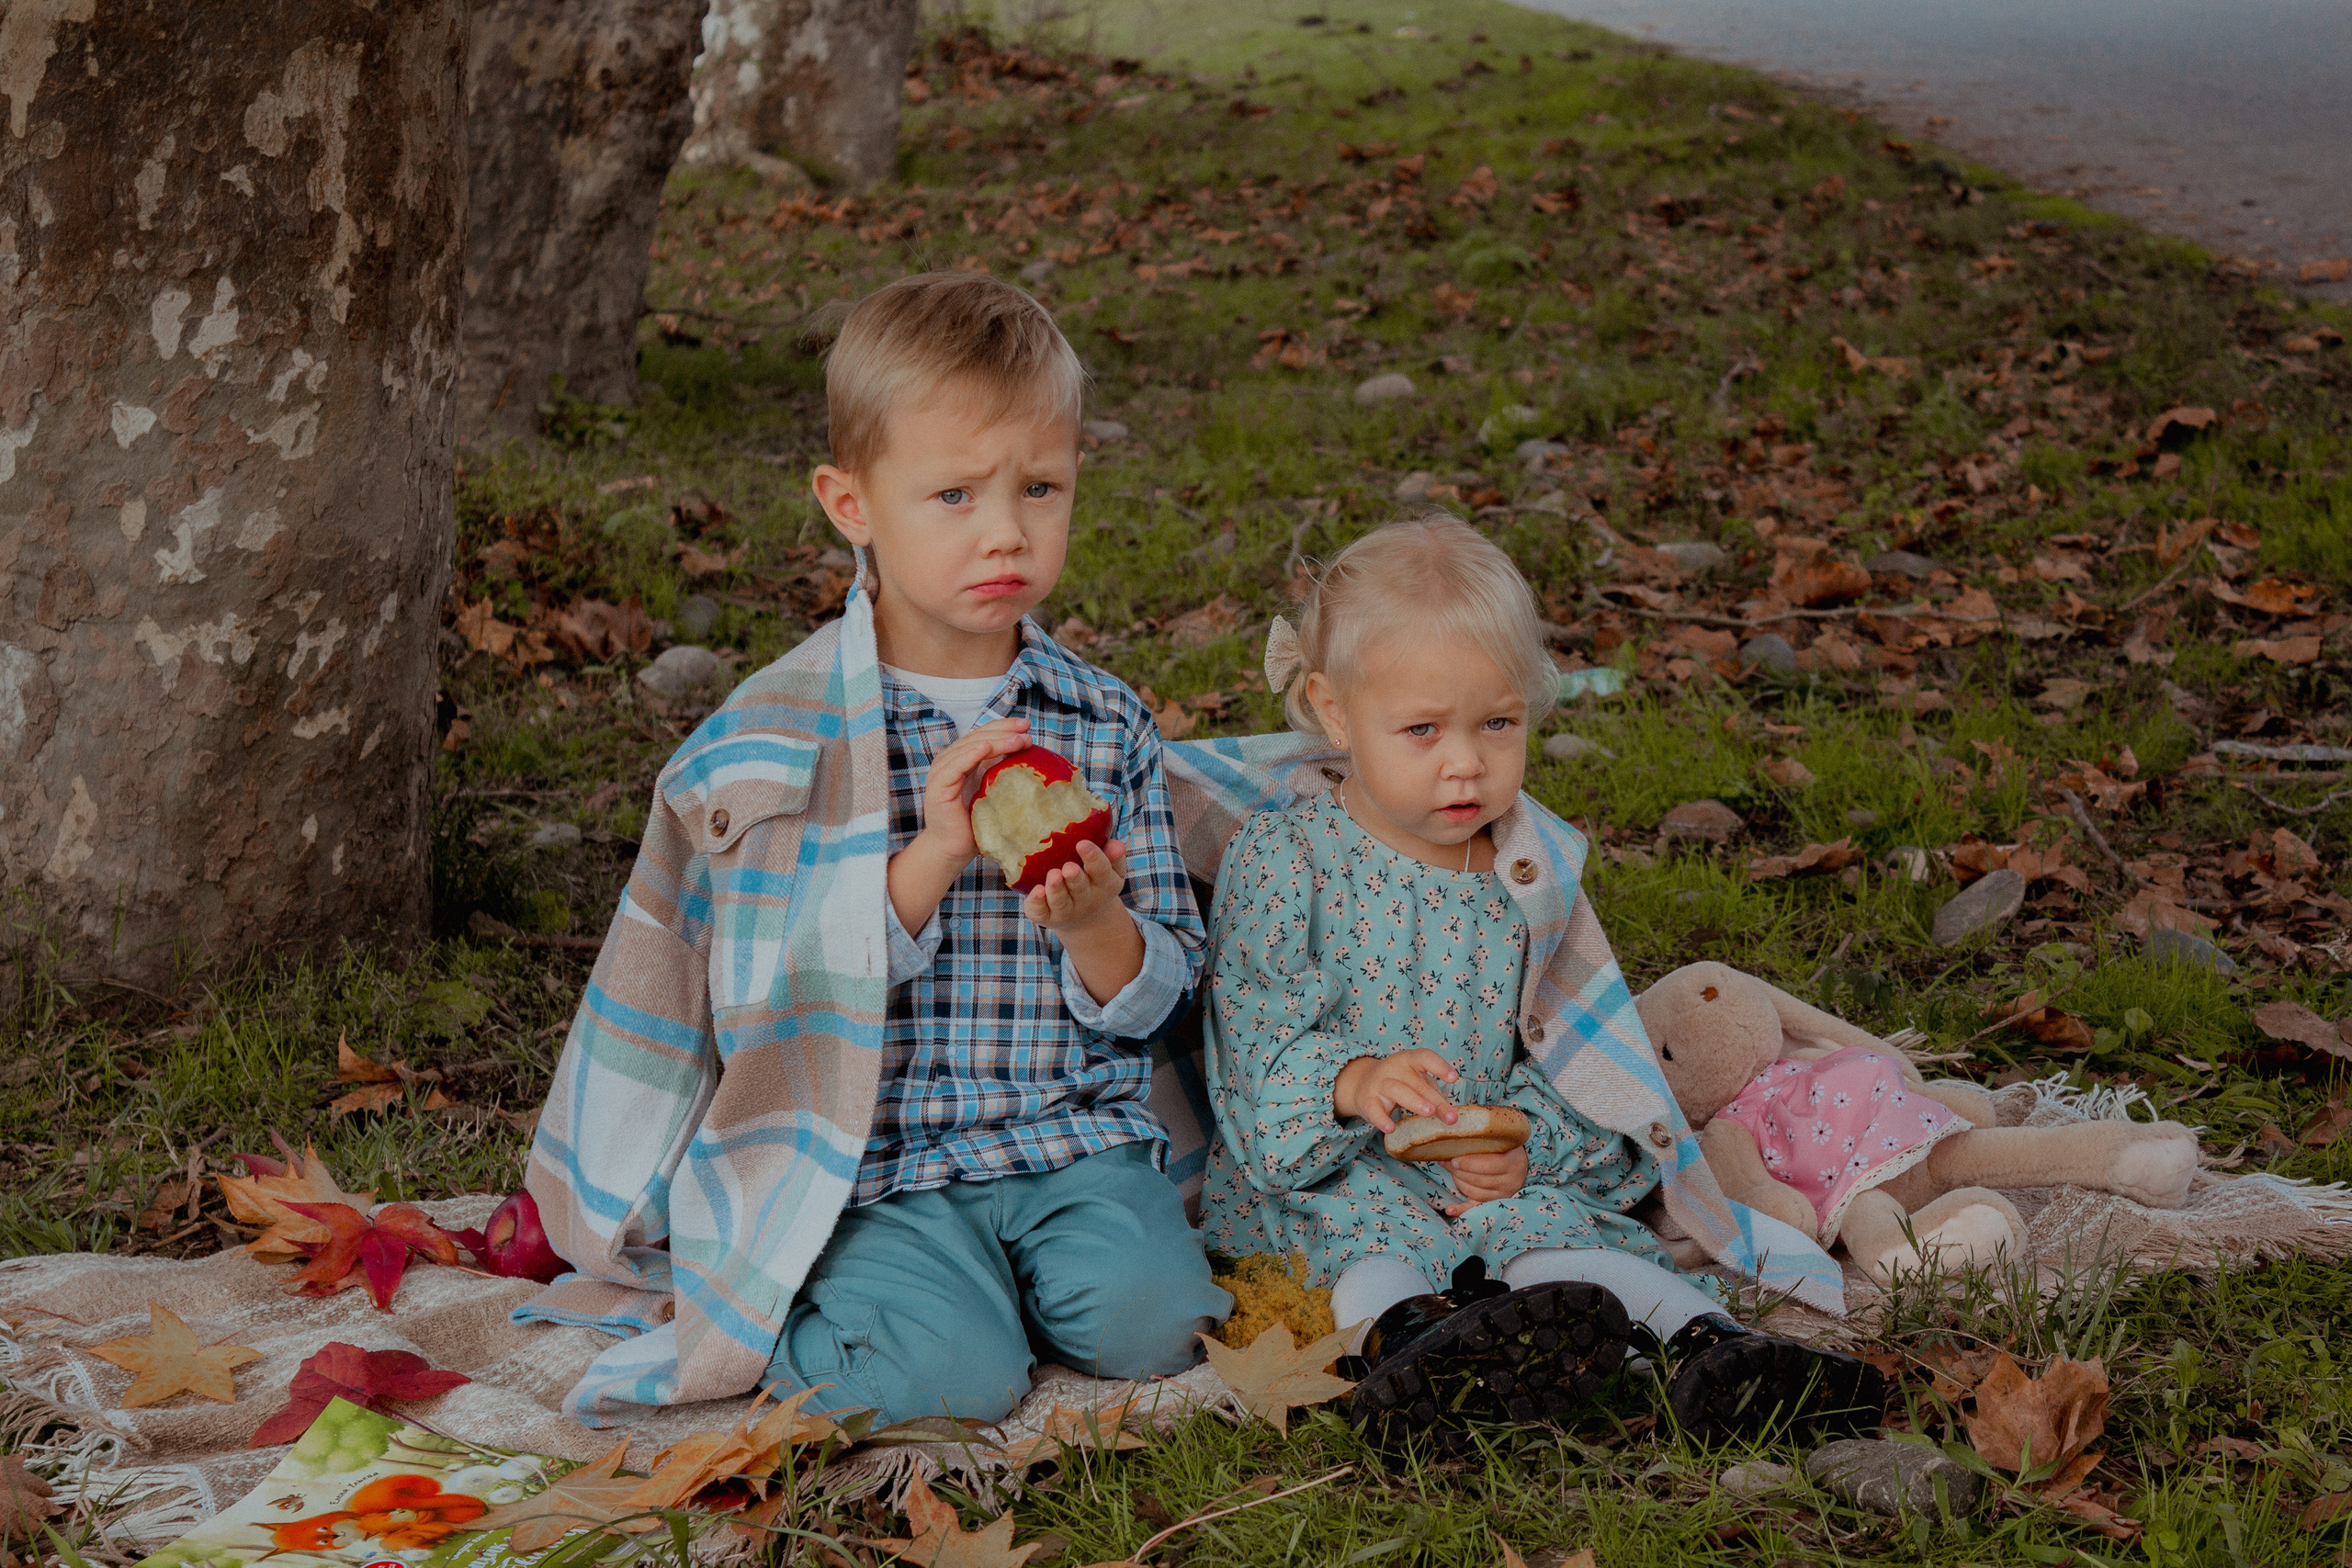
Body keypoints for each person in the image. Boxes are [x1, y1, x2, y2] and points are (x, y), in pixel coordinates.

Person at [517, 271, 1228, 1427]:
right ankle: (852, 1302)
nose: (1005, 530)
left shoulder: (1101, 725)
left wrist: (1098, 923)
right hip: (873, 1164)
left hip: (1068, 1136)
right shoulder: (780, 747)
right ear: (850, 504)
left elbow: (1159, 993)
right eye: (952, 494)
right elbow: (766, 999)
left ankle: (1027, 1280)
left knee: (1161, 1329)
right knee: (938, 1385)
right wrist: (932, 854)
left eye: (1039, 488)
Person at [1188, 515, 1880, 1451]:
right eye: (1422, 729)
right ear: (1337, 711)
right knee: (1364, 1237)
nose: (1465, 761)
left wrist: (1522, 1148)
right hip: (1332, 1161)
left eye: (1497, 723)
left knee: (1552, 1230)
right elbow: (1252, 1045)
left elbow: (1567, 1057)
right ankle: (1413, 1349)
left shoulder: (1524, 874)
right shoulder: (1284, 860)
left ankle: (1705, 1348)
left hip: (1474, 1167)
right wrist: (1353, 1083)